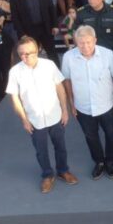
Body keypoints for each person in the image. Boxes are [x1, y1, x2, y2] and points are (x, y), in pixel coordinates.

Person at [6, 36, 77, 193]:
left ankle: (63, 170)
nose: (26, 57)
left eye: (29, 53)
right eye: (22, 54)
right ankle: (47, 175)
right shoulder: (15, 71)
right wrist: (24, 119)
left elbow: (59, 87)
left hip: (55, 116)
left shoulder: (49, 65)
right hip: (34, 120)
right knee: (41, 150)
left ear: (37, 50)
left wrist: (65, 110)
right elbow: (15, 97)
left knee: (60, 146)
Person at [62, 25, 113, 180]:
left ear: (95, 40)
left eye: (89, 42)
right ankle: (99, 162)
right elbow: (67, 80)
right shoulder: (68, 57)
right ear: (76, 41)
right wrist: (71, 103)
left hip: (106, 105)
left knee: (111, 134)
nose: (85, 46)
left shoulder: (107, 54)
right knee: (91, 137)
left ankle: (110, 161)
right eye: (81, 43)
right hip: (83, 107)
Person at [9, 0, 59, 66]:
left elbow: (51, 9)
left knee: (52, 53)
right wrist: (22, 34)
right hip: (28, 31)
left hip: (45, 28)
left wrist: (55, 25)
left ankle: (58, 75)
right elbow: (15, 17)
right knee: (30, 55)